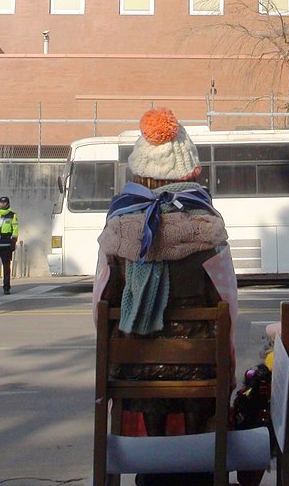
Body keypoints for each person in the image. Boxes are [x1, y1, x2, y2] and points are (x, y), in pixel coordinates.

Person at [92, 107, 238, 483]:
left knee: (145, 372)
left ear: (139, 173)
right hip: (201, 372)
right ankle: (195, 463)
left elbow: (100, 309)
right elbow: (229, 309)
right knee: (199, 373)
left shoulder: (117, 230)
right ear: (191, 173)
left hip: (133, 371)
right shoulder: (210, 230)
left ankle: (150, 467)